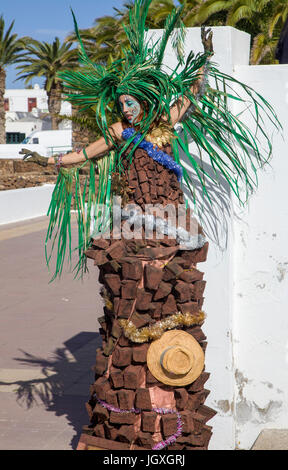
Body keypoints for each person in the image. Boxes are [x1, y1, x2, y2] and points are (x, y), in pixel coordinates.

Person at [21, 1, 280, 451]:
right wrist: (53, 160)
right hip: (132, 220)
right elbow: (88, 153)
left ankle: (166, 404)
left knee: (166, 285)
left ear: (145, 101)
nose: (127, 108)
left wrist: (203, 63)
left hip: (168, 219)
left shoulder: (166, 125)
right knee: (127, 287)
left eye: (131, 101)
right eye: (122, 103)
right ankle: (129, 394)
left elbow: (191, 96)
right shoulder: (120, 133)